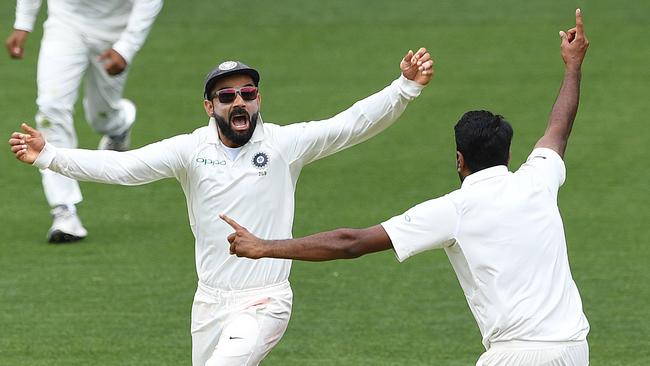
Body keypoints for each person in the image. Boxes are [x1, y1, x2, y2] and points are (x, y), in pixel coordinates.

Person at [9, 48, 434, 365]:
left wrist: (405, 87)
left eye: (247, 93)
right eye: (227, 95)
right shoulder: (191, 150)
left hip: (264, 299)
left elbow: (351, 124)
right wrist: (50, 156)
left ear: (258, 100)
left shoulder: (284, 145)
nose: (239, 101)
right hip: (208, 302)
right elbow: (124, 167)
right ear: (210, 107)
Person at [222, 9, 590, 366]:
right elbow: (559, 130)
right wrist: (572, 65)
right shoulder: (537, 179)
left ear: (459, 160)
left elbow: (352, 242)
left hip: (516, 353)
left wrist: (264, 247)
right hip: (573, 346)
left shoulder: (454, 210)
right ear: (509, 153)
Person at [5, 0, 163, 243]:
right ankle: (64, 210)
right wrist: (23, 23)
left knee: (103, 117)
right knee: (51, 107)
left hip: (115, 31)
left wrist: (127, 47)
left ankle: (118, 126)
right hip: (66, 23)